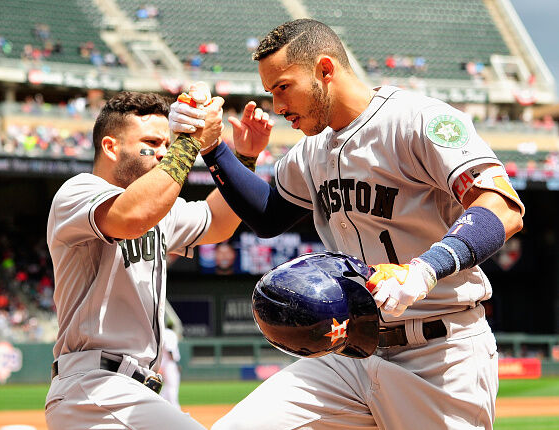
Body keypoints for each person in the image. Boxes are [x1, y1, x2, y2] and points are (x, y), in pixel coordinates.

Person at [170, 19, 524, 430]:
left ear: (325, 69)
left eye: (283, 87)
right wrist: (213, 148)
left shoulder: (417, 121)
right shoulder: (311, 152)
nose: (277, 105)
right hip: (350, 353)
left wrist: (424, 269)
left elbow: (502, 207)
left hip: (439, 354)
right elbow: (267, 215)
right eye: (270, 92)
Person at [44, 89, 242, 430]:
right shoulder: (77, 191)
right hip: (93, 385)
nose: (164, 153)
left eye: (168, 143)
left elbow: (217, 221)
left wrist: (245, 157)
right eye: (152, 142)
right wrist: (191, 140)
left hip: (134, 389)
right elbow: (131, 215)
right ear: (110, 147)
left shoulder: (158, 211)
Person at [159, 323, 182, 408]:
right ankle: (175, 407)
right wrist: (175, 363)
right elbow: (170, 349)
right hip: (169, 363)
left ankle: (160, 405)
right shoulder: (170, 333)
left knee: (167, 386)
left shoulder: (163, 332)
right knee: (173, 386)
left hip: (164, 363)